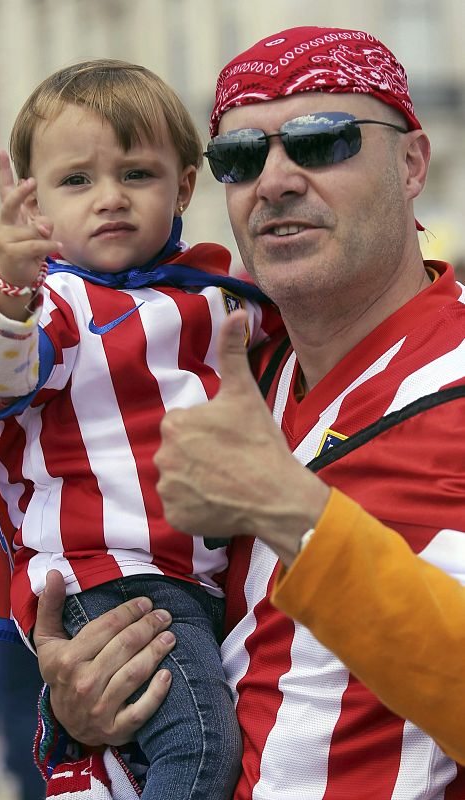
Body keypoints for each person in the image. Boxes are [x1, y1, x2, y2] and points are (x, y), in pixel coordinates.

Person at [27, 26, 465, 800]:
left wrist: (291, 512)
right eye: (239, 157)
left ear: (410, 163)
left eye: (321, 142)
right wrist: (82, 706)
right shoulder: (221, 381)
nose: (275, 180)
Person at [0, 59, 279, 800]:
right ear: (35, 207)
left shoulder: (212, 290)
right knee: (199, 751)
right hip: (111, 573)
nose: (109, 199)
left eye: (135, 174)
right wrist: (8, 291)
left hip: (193, 579)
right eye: (75, 182)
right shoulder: (60, 302)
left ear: (184, 188)